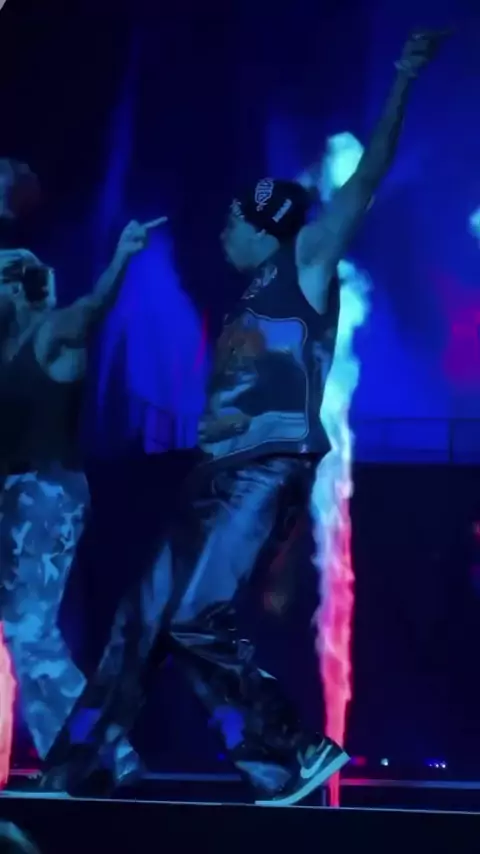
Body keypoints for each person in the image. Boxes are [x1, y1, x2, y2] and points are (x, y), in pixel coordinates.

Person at [42, 30, 445, 806]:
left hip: (263, 470)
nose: (221, 232)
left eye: (233, 220)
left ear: (265, 224)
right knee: (141, 616)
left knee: (195, 616)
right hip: (213, 475)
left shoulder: (305, 264)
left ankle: (290, 751)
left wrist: (401, 79)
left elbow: (364, 182)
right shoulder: (249, 296)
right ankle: (85, 762)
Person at [0, 205, 167, 786]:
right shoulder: (7, 351)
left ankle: (106, 754)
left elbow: (94, 309)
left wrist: (121, 258)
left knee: (31, 633)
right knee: (23, 635)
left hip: (48, 494)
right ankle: (81, 757)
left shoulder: (54, 331)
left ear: (15, 287)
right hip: (18, 497)